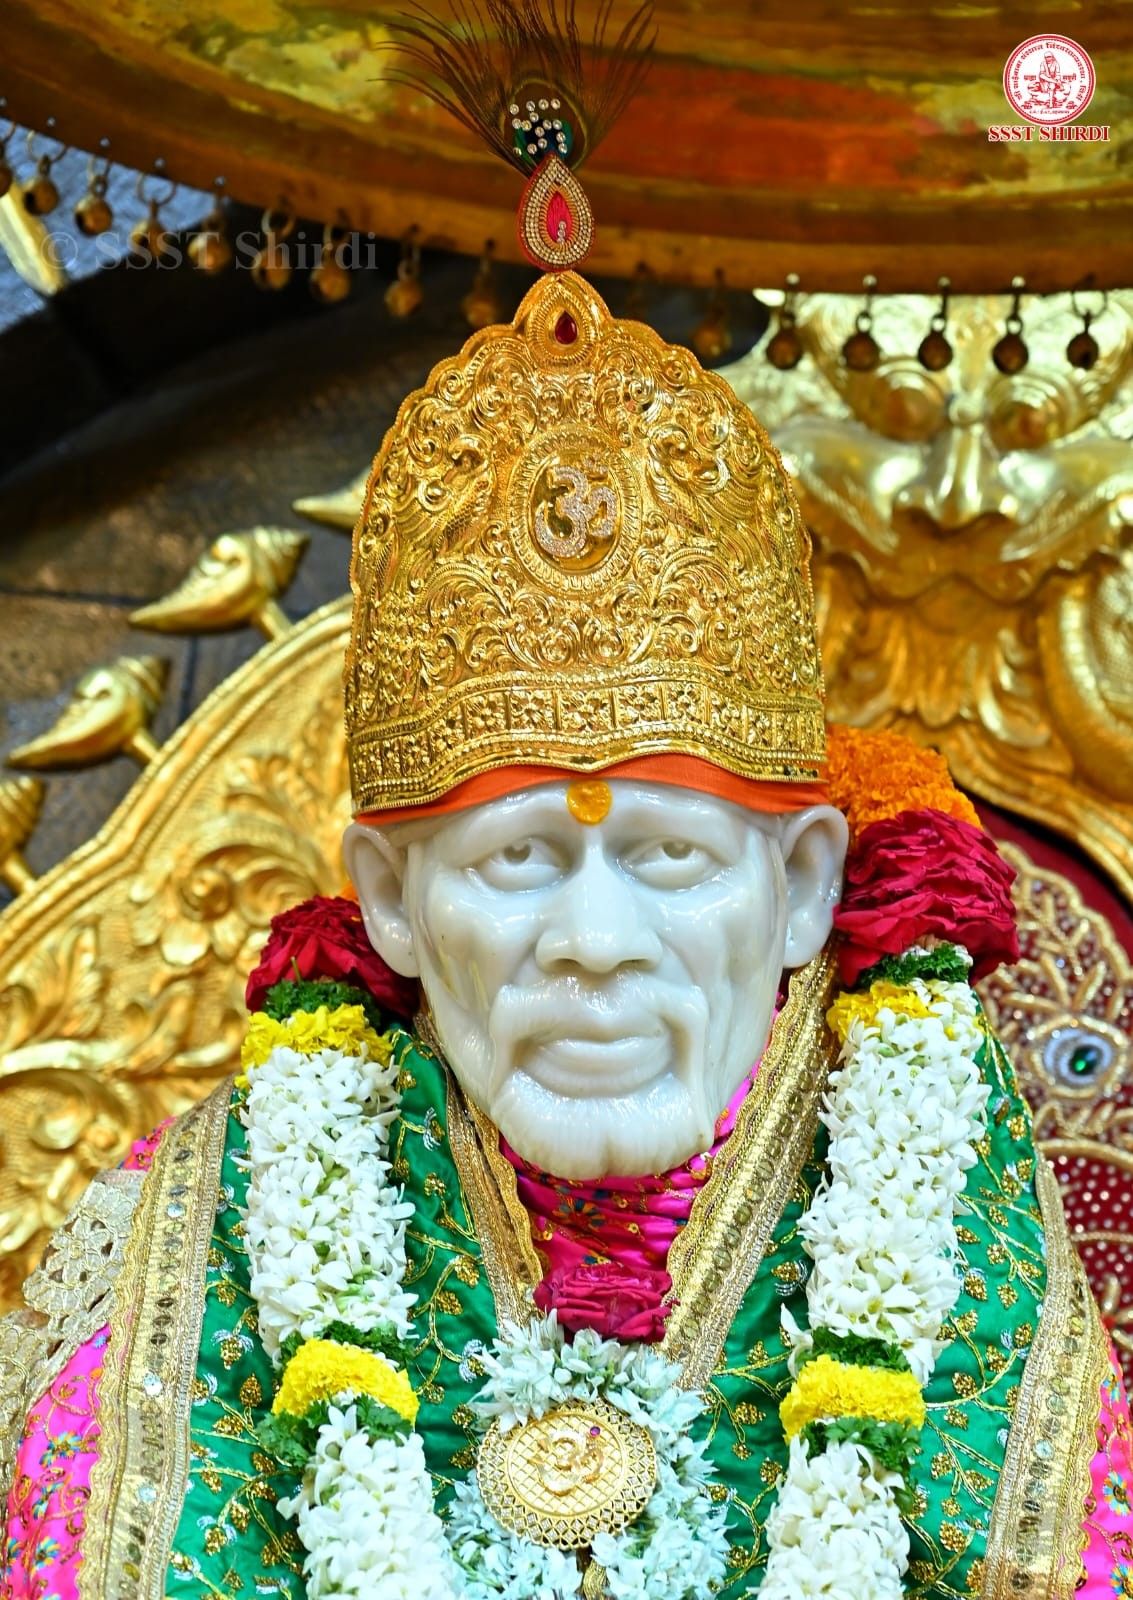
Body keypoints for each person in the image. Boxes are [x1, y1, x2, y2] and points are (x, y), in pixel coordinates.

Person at [2, 270, 1130, 1600]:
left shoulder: (943, 1216)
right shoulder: (216, 1219)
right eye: (517, 859)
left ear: (806, 887)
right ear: (390, 899)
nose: (594, 940)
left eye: (668, 857)